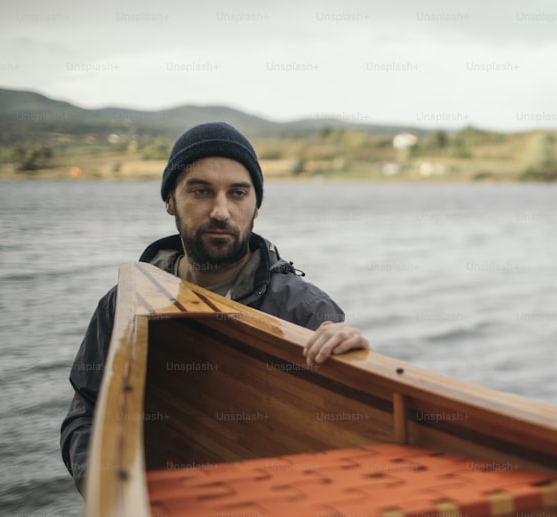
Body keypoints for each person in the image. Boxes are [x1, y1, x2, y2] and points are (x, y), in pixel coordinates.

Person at [60, 121, 368, 495]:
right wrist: (108, 490)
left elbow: (346, 434)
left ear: (256, 206)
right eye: (201, 191)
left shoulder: (306, 311)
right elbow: (87, 410)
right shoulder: (124, 303)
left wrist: (356, 364)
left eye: (237, 193)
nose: (221, 211)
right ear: (170, 201)